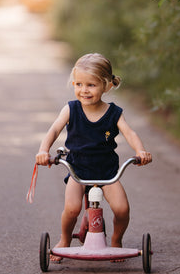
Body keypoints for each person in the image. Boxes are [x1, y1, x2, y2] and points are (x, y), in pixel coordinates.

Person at [35, 53, 152, 262]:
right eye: (79, 84)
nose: (84, 90)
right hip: (77, 169)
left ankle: (116, 241)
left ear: (106, 86)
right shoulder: (71, 109)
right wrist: (44, 150)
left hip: (107, 172)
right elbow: (54, 130)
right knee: (72, 209)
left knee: (122, 209)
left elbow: (130, 133)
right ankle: (64, 240)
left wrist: (140, 151)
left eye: (91, 85)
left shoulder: (114, 113)